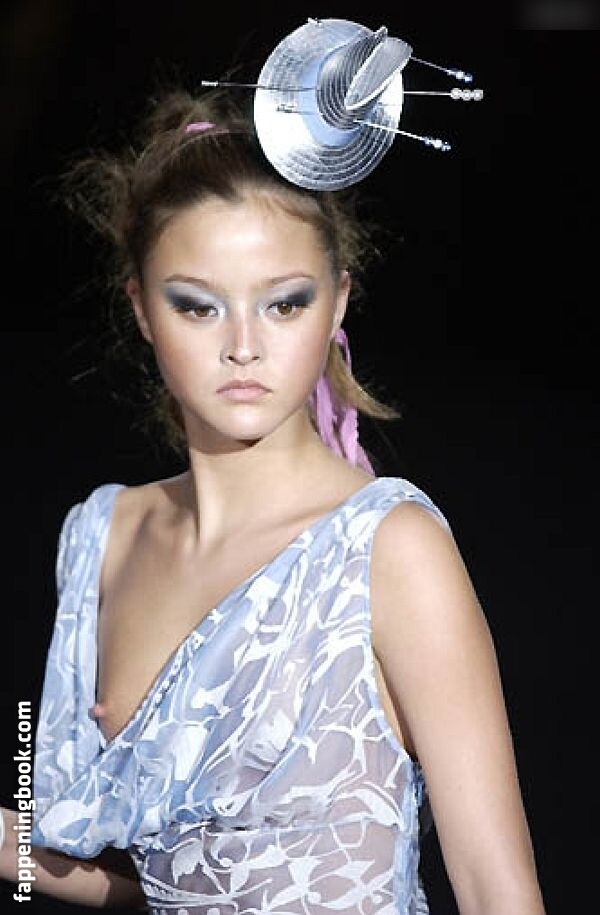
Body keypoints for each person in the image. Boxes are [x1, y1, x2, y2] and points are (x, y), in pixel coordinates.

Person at [0, 18, 546, 915]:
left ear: (338, 301)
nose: (244, 346)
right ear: (141, 310)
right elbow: (155, 885)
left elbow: (497, 891)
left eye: (284, 302)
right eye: (198, 306)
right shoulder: (101, 537)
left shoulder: (388, 550)